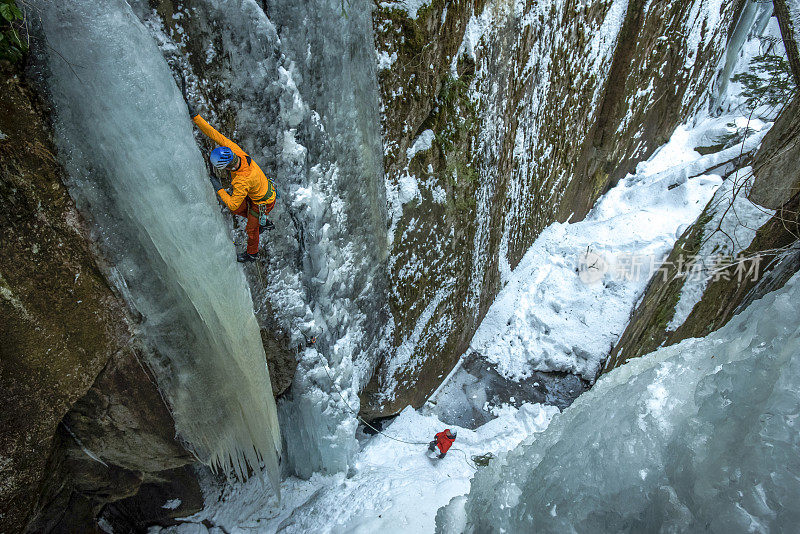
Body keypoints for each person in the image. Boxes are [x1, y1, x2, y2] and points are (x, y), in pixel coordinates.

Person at [186, 101, 276, 263]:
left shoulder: (242, 180)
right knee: (240, 209)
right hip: (261, 192)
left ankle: (252, 254)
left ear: (226, 167)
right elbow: (215, 134)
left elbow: (233, 204)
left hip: (263, 203)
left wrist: (219, 188)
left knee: (251, 230)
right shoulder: (235, 151)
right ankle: (263, 223)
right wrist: (195, 117)